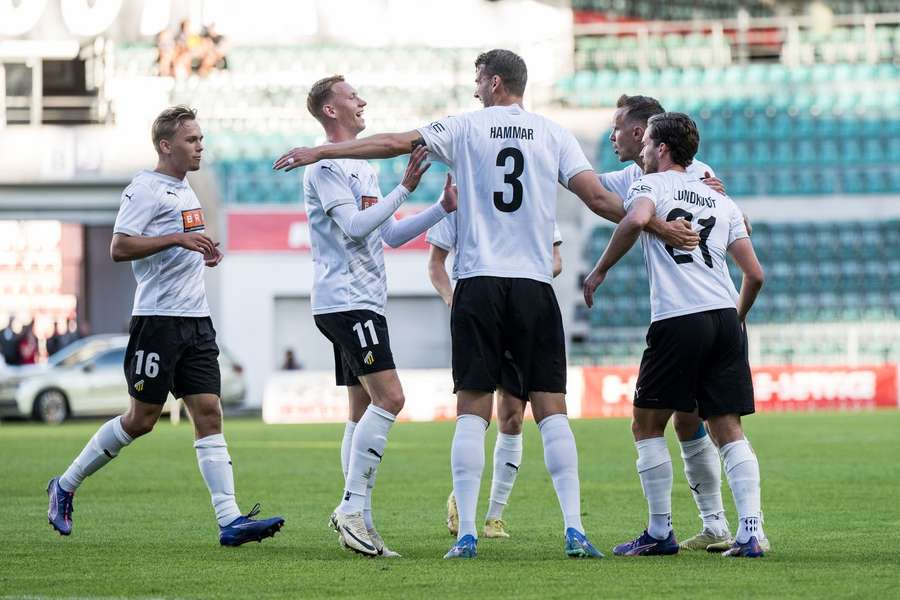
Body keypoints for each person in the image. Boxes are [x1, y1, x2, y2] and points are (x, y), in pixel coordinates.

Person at [274, 48, 700, 560]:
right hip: (534, 284)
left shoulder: (464, 128)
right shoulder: (552, 133)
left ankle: (470, 533)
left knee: (472, 412)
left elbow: (394, 143)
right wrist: (659, 221)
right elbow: (602, 201)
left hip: (477, 283)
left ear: (496, 83)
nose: (475, 88)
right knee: (552, 410)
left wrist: (322, 152)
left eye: (479, 80)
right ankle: (574, 530)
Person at [47, 106, 284, 546]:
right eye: (192, 140)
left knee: (210, 414)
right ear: (165, 145)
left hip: (196, 322)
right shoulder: (144, 188)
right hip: (158, 322)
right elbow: (120, 247)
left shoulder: (185, 188)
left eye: (200, 139)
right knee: (141, 420)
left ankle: (229, 520)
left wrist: (202, 250)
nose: (200, 146)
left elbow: (180, 242)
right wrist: (177, 238)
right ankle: (65, 484)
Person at [583, 112, 767, 558]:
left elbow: (633, 221)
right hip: (725, 315)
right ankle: (750, 532)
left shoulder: (651, 185)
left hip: (678, 318)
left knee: (646, 424)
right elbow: (755, 274)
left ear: (661, 149)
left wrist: (599, 270)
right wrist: (736, 319)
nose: (642, 153)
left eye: (646, 145)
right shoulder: (720, 200)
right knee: (727, 427)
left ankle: (659, 530)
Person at [301, 75, 456, 557]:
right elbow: (352, 228)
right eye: (351, 96)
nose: (362, 100)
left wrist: (439, 207)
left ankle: (359, 518)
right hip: (346, 302)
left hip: (360, 299)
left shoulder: (361, 168)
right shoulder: (325, 167)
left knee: (362, 409)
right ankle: (350, 509)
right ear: (331, 111)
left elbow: (386, 235)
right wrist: (405, 187)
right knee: (391, 398)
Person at [428, 211, 564, 539]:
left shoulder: (533, 191)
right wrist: (452, 298)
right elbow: (436, 263)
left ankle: (494, 515)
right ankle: (462, 498)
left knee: (513, 416)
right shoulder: (460, 198)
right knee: (476, 412)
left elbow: (556, 259)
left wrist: (524, 284)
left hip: (520, 311)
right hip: (482, 310)